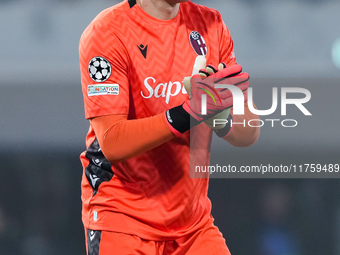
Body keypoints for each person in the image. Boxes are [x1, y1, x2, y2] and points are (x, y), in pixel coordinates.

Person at [79, 0, 260, 254]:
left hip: (193, 226)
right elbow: (112, 142)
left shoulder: (212, 25)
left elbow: (250, 129)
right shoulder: (108, 31)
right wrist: (189, 112)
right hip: (123, 219)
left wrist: (218, 118)